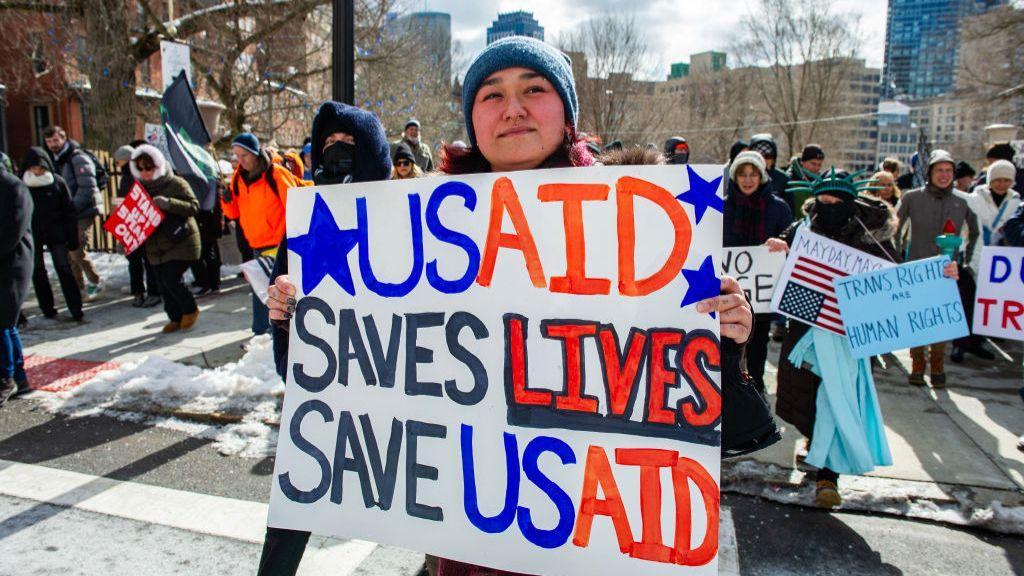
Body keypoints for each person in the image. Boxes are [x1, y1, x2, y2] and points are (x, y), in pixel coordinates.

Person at [273, 35, 758, 576]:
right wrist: (308, 320)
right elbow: (374, 375)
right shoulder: (418, 232)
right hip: (471, 543)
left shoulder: (647, 223)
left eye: (535, 88)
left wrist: (725, 341)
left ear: (567, 112)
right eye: (491, 94)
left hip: (595, 541)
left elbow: (695, 412)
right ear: (473, 119)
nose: (514, 108)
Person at [255, 100, 393, 576]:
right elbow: (284, 294)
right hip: (323, 390)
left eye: (350, 144)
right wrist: (281, 318)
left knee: (423, 497)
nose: (337, 152)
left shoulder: (402, 215)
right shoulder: (304, 219)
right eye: (329, 144)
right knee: (296, 500)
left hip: (394, 390)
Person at [776, 168, 959, 508]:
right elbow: (777, 255)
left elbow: (900, 283)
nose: (829, 207)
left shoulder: (871, 236)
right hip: (805, 329)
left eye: (837, 202)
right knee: (804, 397)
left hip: (849, 336)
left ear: (850, 202)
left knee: (837, 399)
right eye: (823, 201)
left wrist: (942, 275)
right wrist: (775, 247)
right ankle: (815, 443)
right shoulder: (803, 229)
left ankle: (829, 476)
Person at [896, 149, 979, 387]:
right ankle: (918, 364)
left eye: (949, 171)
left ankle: (938, 365)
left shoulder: (962, 201)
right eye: (939, 170)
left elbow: (975, 233)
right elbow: (895, 226)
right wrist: (895, 258)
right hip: (916, 267)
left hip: (946, 272)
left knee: (940, 321)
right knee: (918, 319)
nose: (944, 175)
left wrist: (964, 262)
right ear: (929, 172)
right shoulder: (912, 198)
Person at [723, 151, 793, 393]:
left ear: (762, 176)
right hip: (728, 296)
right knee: (728, 350)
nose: (748, 179)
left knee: (757, 352)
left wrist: (782, 243)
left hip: (761, 301)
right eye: (742, 174)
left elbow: (790, 243)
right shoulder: (721, 206)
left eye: (753, 174)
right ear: (735, 177)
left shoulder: (779, 208)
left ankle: (756, 394)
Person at [221, 132, 301, 335]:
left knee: (276, 292)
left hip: (278, 245)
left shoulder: (276, 174)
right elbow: (233, 214)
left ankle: (270, 332)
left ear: (255, 152)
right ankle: (264, 332)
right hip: (256, 245)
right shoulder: (238, 178)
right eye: (236, 156)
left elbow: (296, 206)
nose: (240, 161)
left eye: (244, 155)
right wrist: (226, 199)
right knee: (261, 292)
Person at [951, 159, 1021, 363]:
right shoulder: (975, 198)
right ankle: (959, 345)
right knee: (967, 301)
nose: (1001, 184)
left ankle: (977, 342)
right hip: (973, 254)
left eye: (1006, 180)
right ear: (990, 180)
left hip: (1000, 262)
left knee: (986, 305)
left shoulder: (1015, 202)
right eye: (997, 179)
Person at [131, 145, 201, 333]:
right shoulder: (139, 190)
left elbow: (193, 206)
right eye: (141, 168)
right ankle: (175, 318)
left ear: (158, 165)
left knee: (171, 278)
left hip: (181, 240)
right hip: (155, 245)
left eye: (149, 167)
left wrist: (168, 203)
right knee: (161, 283)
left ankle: (190, 309)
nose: (145, 172)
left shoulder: (175, 183)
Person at [21, 147, 83, 322]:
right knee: (38, 270)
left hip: (56, 232)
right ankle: (47, 308)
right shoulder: (22, 183)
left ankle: (75, 307)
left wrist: (72, 238)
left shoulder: (57, 182)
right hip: (32, 233)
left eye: (40, 168)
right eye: (33, 168)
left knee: (63, 268)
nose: (37, 171)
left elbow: (69, 211)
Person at [43, 126, 104, 299]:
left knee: (77, 250)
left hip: (84, 210)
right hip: (67, 212)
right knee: (70, 253)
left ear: (63, 139)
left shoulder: (77, 157)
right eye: (49, 141)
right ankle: (79, 288)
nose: (52, 144)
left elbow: (87, 187)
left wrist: (71, 208)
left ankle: (95, 282)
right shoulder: (53, 160)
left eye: (56, 140)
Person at [0, 166, 34, 404]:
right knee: (7, 323)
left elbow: (13, 229)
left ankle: (5, 379)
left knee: (3, 320)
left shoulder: (13, 187)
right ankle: (19, 378)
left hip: (12, 263)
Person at [114, 144, 161, 308]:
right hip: (132, 222)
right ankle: (143, 292)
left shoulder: (138, 175)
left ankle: (147, 293)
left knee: (143, 261)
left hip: (140, 222)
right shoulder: (127, 177)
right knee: (139, 261)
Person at [749, 133, 792, 210]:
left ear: (773, 159)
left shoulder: (783, 180)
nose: (763, 160)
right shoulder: (742, 178)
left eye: (767, 156)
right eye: (758, 156)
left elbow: (790, 210)